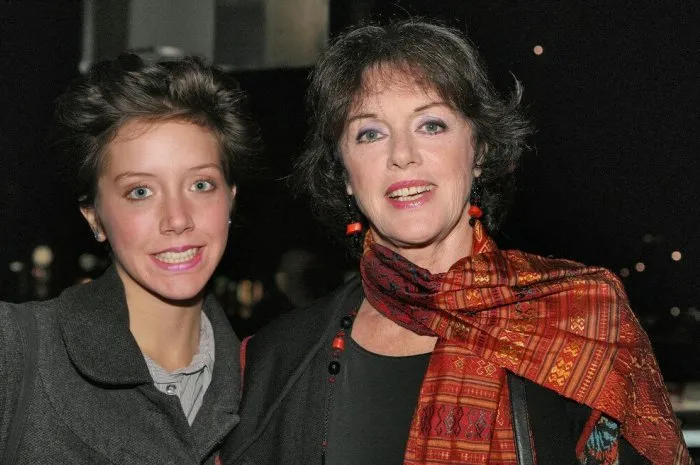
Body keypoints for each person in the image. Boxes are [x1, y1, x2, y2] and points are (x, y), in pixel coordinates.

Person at [223, 19, 690, 465]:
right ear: (345, 173)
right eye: (370, 133)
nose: (402, 155)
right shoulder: (277, 360)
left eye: (431, 125)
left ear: (479, 149)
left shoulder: (581, 318)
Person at [0, 53, 258, 464]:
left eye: (200, 184)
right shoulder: (15, 352)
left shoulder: (272, 381)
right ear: (94, 216)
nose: (177, 219)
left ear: (230, 198)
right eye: (140, 191)